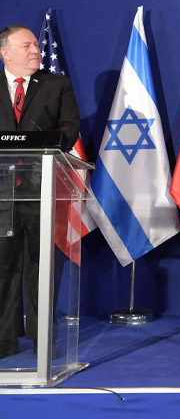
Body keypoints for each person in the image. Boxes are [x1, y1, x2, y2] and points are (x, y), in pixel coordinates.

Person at [0, 25, 80, 360]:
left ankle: (40, 337)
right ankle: (4, 340)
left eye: (36, 44)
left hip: (41, 190)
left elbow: (69, 128)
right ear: (5, 52)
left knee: (39, 266)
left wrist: (39, 145)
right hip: (1, 194)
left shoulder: (56, 84)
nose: (35, 50)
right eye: (26, 45)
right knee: (3, 267)